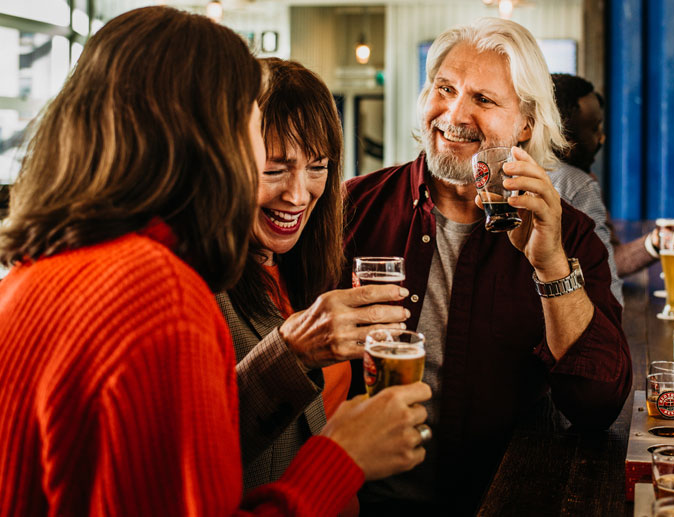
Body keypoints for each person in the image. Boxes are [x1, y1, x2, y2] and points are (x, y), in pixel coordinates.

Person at [0, 7, 429, 515]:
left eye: (315, 165)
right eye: (253, 130)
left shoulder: (34, 274)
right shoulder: (161, 292)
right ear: (204, 136)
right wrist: (341, 457)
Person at [340, 18, 631, 513]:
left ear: (526, 125)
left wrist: (551, 266)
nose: (454, 113)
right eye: (445, 88)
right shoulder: (354, 208)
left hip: (501, 502)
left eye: (484, 99)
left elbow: (596, 405)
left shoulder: (569, 232)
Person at [215, 58, 412, 490]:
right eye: (275, 168)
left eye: (317, 166)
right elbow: (192, 454)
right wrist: (293, 353)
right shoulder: (200, 286)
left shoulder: (311, 266)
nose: (298, 193)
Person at [548, 73, 662, 305]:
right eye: (593, 128)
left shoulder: (514, 175)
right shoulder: (578, 186)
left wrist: (655, 243)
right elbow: (606, 285)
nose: (601, 138)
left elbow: (605, 257)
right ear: (564, 137)